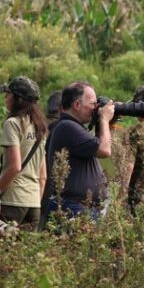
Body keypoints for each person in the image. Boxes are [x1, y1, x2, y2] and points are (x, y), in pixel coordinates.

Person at [43, 81, 114, 221]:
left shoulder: (72, 127)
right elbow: (105, 150)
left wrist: (103, 122)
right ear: (76, 105)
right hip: (72, 208)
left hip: (79, 207)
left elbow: (99, 144)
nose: (95, 109)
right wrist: (104, 119)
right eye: (93, 105)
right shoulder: (67, 126)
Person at [0, 76, 47, 229]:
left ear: (18, 99)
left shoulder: (12, 123)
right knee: (26, 251)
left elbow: (15, 167)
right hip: (33, 202)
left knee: (1, 249)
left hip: (12, 200)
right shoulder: (40, 126)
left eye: (9, 94)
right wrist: (36, 201)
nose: (6, 97)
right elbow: (43, 175)